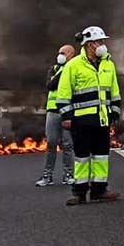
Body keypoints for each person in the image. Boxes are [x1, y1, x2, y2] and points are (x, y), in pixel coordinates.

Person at [58, 26, 122, 206]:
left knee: (102, 156)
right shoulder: (73, 65)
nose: (102, 45)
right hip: (81, 120)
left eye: (103, 41)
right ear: (89, 44)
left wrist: (115, 113)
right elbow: (63, 94)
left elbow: (114, 91)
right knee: (82, 157)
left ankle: (99, 190)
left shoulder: (109, 64)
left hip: (102, 119)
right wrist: (67, 117)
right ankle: (79, 193)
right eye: (99, 42)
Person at [36, 44, 76, 186]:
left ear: (71, 54)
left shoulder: (75, 68)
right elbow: (51, 85)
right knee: (51, 143)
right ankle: (47, 176)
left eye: (64, 53)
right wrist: (63, 70)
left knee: (68, 144)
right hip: (53, 111)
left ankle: (68, 175)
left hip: (68, 112)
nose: (60, 55)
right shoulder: (53, 69)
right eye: (59, 52)